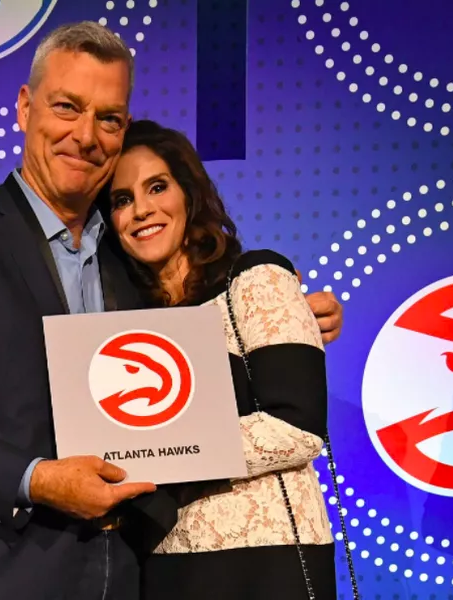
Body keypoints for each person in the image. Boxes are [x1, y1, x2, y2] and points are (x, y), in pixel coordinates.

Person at [0, 21, 343, 600]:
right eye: (67, 107)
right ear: (25, 108)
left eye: (109, 118)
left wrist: (288, 316)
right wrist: (39, 480)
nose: (86, 135)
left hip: (132, 579)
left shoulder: (134, 261)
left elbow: (198, 335)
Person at [102, 119, 338, 600]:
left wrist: (158, 451)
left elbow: (297, 426)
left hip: (266, 561)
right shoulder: (120, 324)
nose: (142, 209)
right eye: (122, 199)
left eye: (157, 187)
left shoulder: (254, 279)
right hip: (161, 565)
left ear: (188, 193)